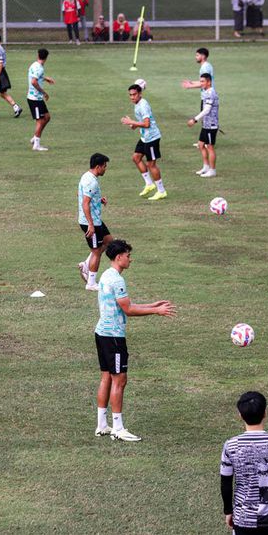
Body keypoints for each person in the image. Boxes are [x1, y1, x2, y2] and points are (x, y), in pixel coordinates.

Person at [93, 239, 175, 442]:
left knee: (106, 378)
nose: (130, 259)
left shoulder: (106, 275)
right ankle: (118, 429)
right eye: (128, 255)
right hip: (114, 338)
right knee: (119, 380)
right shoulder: (117, 280)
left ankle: (102, 425)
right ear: (119, 256)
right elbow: (128, 310)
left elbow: (125, 304)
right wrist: (156, 311)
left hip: (102, 333)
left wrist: (151, 305)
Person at [221, 392, 268, 535]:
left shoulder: (230, 446)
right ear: (265, 413)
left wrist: (228, 511)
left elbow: (226, 483)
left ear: (240, 415)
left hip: (242, 519)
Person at [121, 84, 168, 201]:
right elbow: (142, 122)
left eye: (134, 94)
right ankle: (149, 184)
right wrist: (134, 125)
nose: (132, 97)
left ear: (140, 94)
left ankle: (161, 191)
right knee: (136, 158)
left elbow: (147, 124)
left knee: (151, 165)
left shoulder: (143, 106)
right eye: (130, 95)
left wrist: (132, 122)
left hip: (152, 138)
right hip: (144, 137)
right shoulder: (137, 104)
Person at [77, 153, 112, 291]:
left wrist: (98, 199)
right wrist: (90, 224)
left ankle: (86, 264)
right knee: (96, 251)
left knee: (109, 241)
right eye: (104, 166)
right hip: (91, 222)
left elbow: (82, 195)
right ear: (98, 167)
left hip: (95, 220)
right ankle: (91, 283)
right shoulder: (91, 181)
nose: (105, 169)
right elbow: (85, 203)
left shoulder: (86, 176)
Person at [187, 73, 219, 178]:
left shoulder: (211, 93)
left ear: (209, 82)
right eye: (200, 81)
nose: (201, 83)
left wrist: (194, 119)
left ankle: (212, 170)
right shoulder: (206, 91)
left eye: (202, 81)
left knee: (210, 147)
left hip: (211, 125)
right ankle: (206, 167)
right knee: (201, 145)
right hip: (206, 124)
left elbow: (207, 110)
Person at [27, 48, 55, 151]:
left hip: (36, 98)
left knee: (47, 117)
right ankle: (36, 145)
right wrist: (44, 92)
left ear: (38, 55)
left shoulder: (34, 65)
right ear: (46, 58)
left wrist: (46, 79)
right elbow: (34, 82)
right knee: (40, 121)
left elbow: (35, 76)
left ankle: (35, 138)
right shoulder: (39, 68)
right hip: (34, 98)